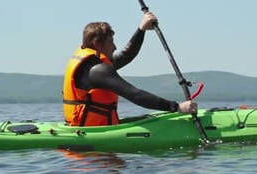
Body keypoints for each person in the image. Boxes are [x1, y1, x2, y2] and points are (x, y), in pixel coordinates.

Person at [62, 12, 198, 126]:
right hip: (92, 133)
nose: (114, 47)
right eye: (111, 43)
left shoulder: (92, 65)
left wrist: (141, 30)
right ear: (98, 44)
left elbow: (125, 56)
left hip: (81, 127)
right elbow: (135, 95)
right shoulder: (98, 71)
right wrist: (176, 107)